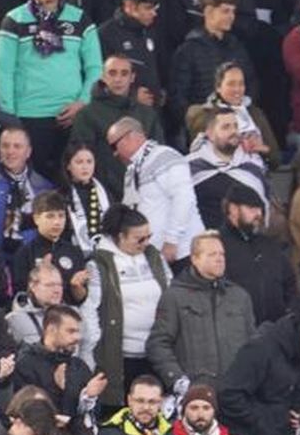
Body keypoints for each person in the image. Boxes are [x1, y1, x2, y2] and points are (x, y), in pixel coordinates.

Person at [0, 0, 101, 169]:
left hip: (72, 114)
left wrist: (83, 102)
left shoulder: (80, 19)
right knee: (34, 179)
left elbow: (95, 67)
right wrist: (10, 117)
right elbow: (4, 70)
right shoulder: (14, 20)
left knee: (70, 177)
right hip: (28, 115)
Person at [145, 232, 255, 394]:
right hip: (195, 394)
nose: (220, 259)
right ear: (195, 259)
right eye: (212, 254)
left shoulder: (239, 296)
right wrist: (178, 380)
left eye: (222, 254)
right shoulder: (175, 297)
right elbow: (158, 344)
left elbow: (252, 344)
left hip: (236, 392)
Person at [108, 118, 200, 265]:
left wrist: (172, 240)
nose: (114, 153)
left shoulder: (164, 156)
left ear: (130, 136)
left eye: (114, 146)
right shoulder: (132, 170)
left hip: (183, 251)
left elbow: (184, 198)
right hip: (156, 255)